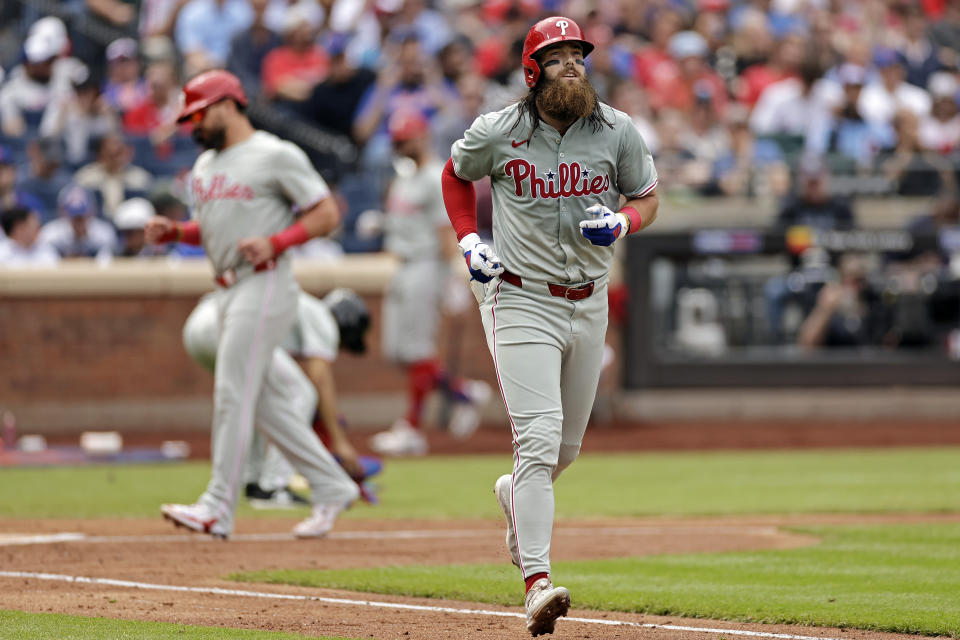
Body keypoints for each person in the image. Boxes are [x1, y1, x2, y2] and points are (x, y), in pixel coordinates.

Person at [441, 17, 658, 636]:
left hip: (589, 301)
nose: (572, 65)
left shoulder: (616, 129)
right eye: (558, 56)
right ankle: (536, 581)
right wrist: (468, 240)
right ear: (531, 71)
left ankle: (516, 494)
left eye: (578, 55)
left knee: (564, 450)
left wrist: (623, 223)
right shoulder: (499, 130)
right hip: (518, 298)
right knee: (539, 437)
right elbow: (455, 176)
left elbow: (646, 195)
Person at [144, 69, 359, 538]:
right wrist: (177, 232)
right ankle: (332, 485)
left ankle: (219, 505)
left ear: (226, 105)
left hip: (264, 283)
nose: (192, 126)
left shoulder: (274, 154)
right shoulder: (204, 166)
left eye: (197, 115)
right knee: (264, 405)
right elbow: (216, 225)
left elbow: (326, 213)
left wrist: (278, 242)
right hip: (226, 286)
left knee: (231, 390)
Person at [182, 287, 380, 506]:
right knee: (301, 393)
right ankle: (274, 486)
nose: (340, 348)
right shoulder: (323, 319)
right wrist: (340, 441)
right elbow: (320, 379)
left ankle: (255, 482)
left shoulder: (303, 308)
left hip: (199, 326)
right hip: (229, 325)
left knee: (256, 398)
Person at [366, 110, 490, 457]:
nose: (400, 147)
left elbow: (443, 231)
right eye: (397, 141)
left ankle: (412, 428)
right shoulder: (404, 177)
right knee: (397, 351)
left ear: (420, 138)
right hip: (402, 264)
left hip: (426, 265)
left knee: (417, 349)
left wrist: (454, 275)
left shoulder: (436, 176)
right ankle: (463, 392)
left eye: (405, 140)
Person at [38, 183, 117, 258]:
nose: (78, 220)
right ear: (62, 213)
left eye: (81, 216)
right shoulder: (50, 234)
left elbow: (107, 265)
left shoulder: (104, 233)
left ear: (92, 211)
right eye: (74, 216)